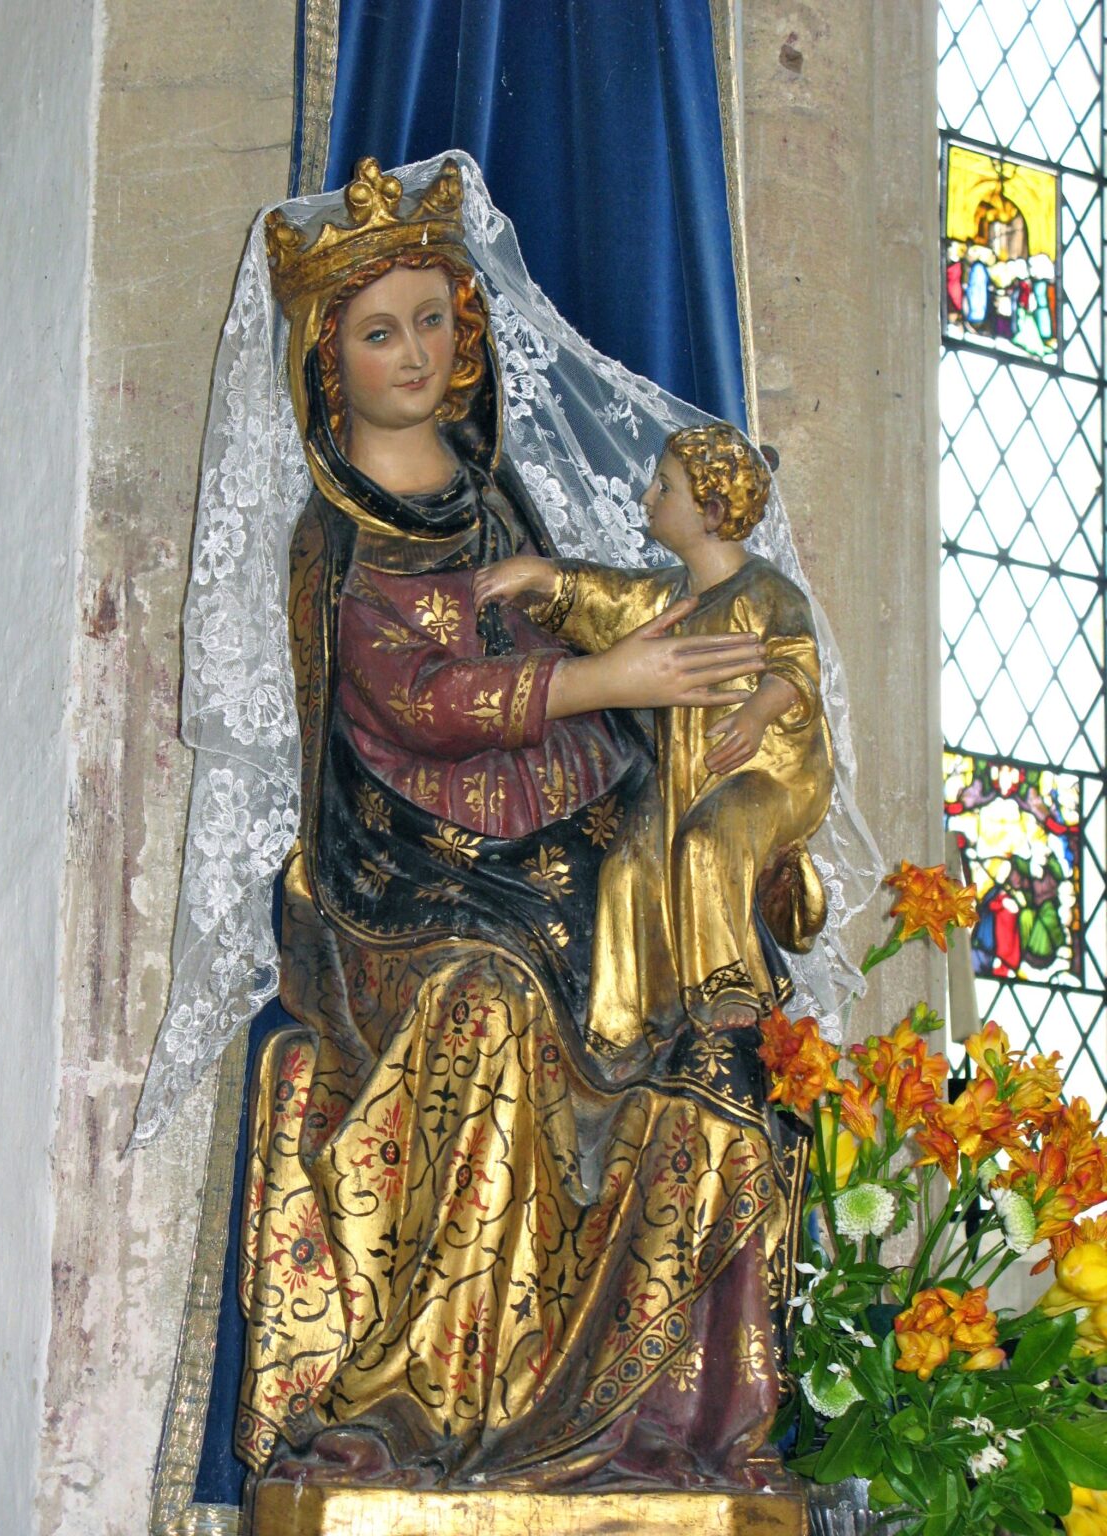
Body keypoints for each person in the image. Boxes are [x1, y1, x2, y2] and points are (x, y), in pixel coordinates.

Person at [222, 155, 813, 1495]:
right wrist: (614, 677)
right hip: (406, 886)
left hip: (556, 843)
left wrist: (693, 667)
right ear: (330, 360)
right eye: (381, 331)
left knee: (707, 1026)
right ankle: (423, 1406)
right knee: (484, 1009)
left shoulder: (493, 499)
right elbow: (416, 701)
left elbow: (577, 620)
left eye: (435, 319)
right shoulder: (341, 536)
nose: (417, 351)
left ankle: (658, 1416)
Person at [474, 422, 834, 1075]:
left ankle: (729, 987)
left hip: (766, 778)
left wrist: (755, 714)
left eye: (664, 486)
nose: (646, 496)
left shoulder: (767, 593)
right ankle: (619, 1030)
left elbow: (797, 667)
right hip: (683, 778)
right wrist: (541, 578)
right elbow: (608, 599)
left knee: (705, 847)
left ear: (712, 512)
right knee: (626, 870)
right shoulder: (667, 596)